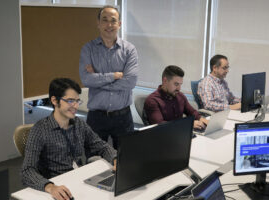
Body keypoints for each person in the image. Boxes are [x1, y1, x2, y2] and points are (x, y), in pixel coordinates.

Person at [21, 78, 116, 200]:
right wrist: (50, 187)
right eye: (70, 101)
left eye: (77, 101)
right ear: (55, 100)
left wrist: (115, 159)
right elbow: (27, 171)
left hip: (78, 181)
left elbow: (101, 146)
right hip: (58, 187)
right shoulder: (40, 130)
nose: (75, 106)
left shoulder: (79, 124)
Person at [79, 5, 138, 150]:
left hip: (123, 116)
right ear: (98, 23)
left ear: (119, 24)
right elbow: (86, 80)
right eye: (104, 20)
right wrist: (114, 76)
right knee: (94, 160)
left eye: (113, 20)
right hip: (96, 117)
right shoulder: (88, 49)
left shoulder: (129, 50)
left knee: (126, 160)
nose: (109, 25)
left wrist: (98, 81)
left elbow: (130, 82)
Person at [144, 65, 208, 129]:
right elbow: (160, 125)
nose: (179, 88)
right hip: (164, 136)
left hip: (180, 133)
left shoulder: (180, 96)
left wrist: (204, 120)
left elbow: (192, 112)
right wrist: (187, 124)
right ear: (165, 80)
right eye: (176, 84)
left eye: (180, 84)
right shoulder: (152, 101)